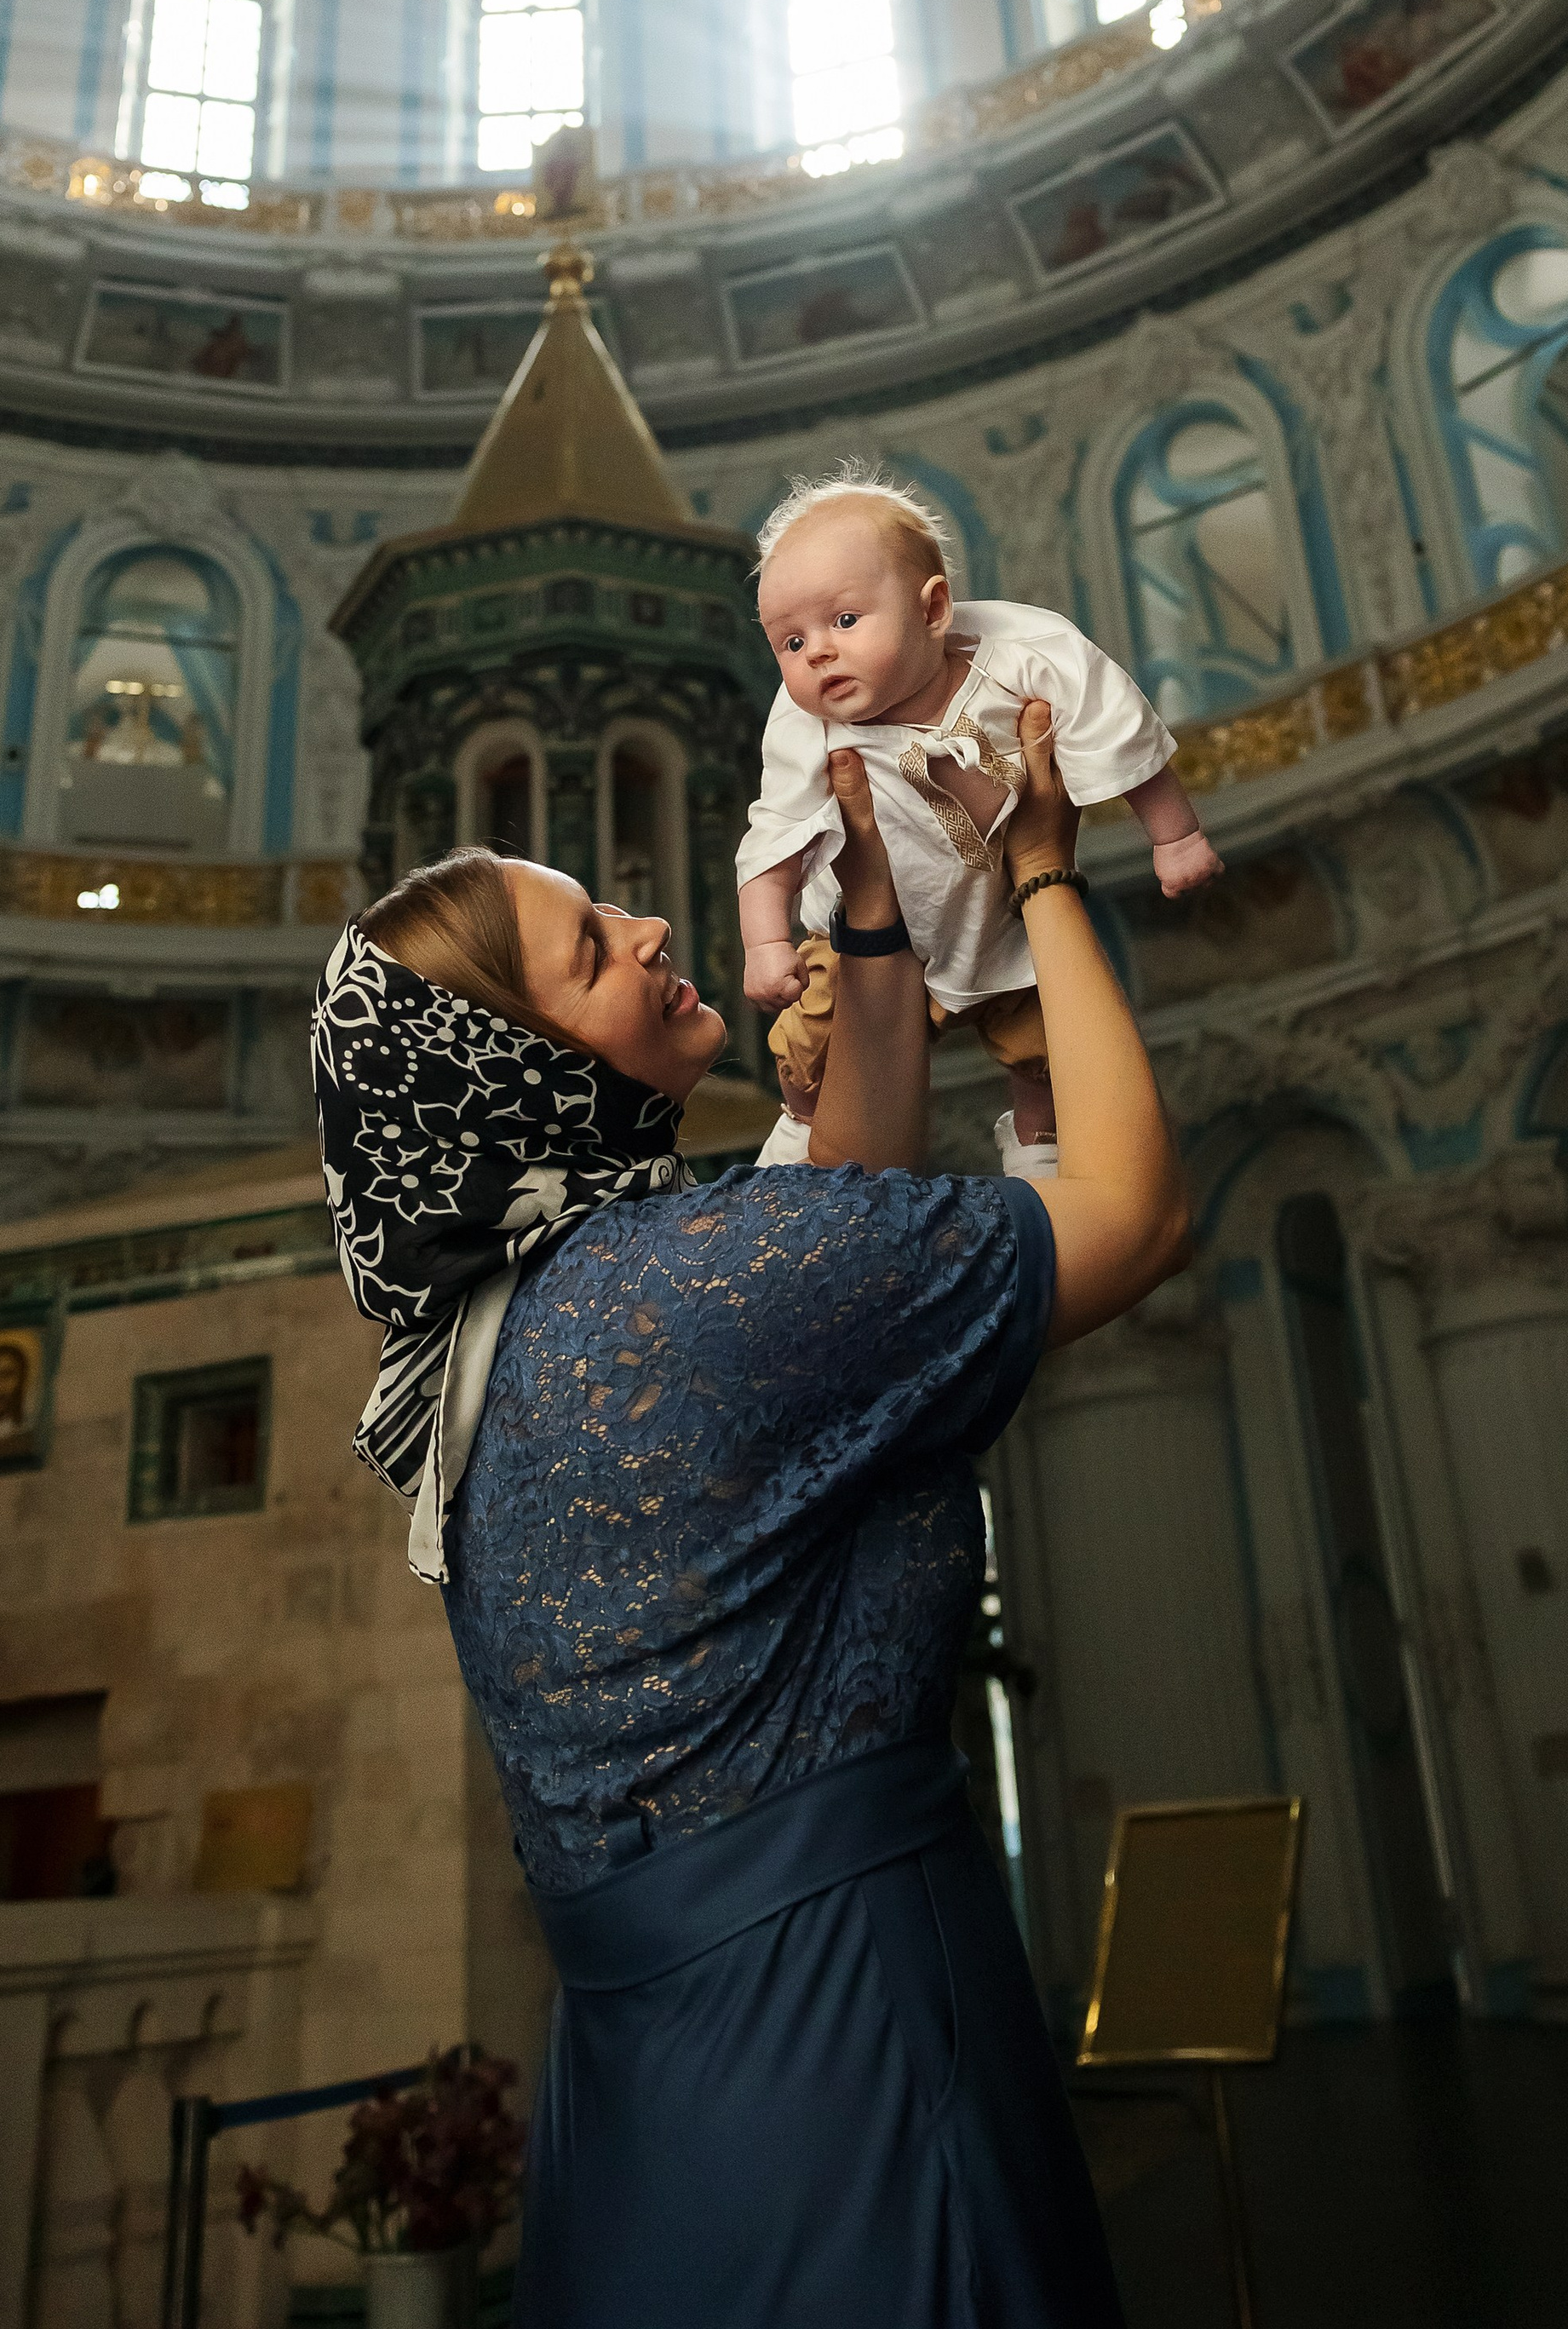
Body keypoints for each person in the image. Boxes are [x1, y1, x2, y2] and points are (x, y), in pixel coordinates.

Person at [312, 701, 1189, 2329]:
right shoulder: (689, 1286)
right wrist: (1046, 881)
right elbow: (1134, 1217)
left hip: (659, 2092)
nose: (645, 923)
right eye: (590, 947)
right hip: (846, 2048)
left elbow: (829, 1228)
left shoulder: (510, 1331)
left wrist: (871, 916)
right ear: (525, 1061)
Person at [736, 469, 1220, 1173]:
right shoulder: (804, 724)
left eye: (843, 620)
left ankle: (1036, 1153)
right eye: (790, 643)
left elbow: (1115, 725)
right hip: (862, 945)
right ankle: (798, 1133)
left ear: (933, 609)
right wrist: (763, 942)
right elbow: (774, 832)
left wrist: (1176, 834)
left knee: (1047, 1052)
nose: (818, 652)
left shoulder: (1024, 655)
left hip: (1000, 924)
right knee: (810, 1049)